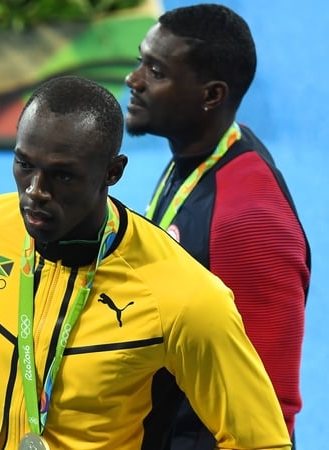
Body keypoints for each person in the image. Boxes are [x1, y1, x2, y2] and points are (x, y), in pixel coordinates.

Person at [0, 75, 292, 449]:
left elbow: (261, 441)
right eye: (25, 165)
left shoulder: (185, 297)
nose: (35, 192)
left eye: (63, 176)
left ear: (112, 172)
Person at [125, 4, 311, 449]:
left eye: (156, 71)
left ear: (211, 95)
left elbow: (270, 403)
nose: (134, 81)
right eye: (140, 61)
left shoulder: (249, 223)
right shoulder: (203, 150)